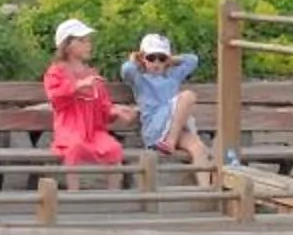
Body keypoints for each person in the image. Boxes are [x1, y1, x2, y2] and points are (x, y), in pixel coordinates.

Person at [43, 19, 133, 174]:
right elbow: (55, 98)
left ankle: (115, 195)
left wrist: (116, 111)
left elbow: (103, 106)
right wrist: (77, 86)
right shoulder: (56, 71)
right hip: (69, 131)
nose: (88, 45)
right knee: (75, 147)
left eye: (89, 41)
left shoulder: (92, 74)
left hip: (93, 132)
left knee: (114, 149)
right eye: (83, 41)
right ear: (68, 44)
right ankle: (74, 194)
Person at [120, 32, 209, 169]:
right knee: (188, 96)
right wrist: (134, 59)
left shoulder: (172, 76)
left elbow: (193, 60)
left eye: (161, 58)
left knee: (199, 148)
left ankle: (206, 189)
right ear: (143, 58)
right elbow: (127, 70)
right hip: (155, 129)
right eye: (151, 58)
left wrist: (171, 59)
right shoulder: (141, 79)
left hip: (175, 126)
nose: (156, 63)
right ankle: (171, 141)